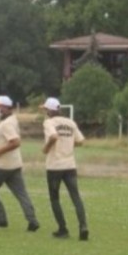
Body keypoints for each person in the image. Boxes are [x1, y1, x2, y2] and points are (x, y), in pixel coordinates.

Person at [0, 95, 40, 231]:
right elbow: (8, 138)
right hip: (15, 164)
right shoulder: (12, 120)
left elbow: (15, 142)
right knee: (21, 194)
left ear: (6, 108)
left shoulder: (6, 123)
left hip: (1, 166)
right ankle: (32, 220)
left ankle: (1, 219)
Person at [41, 97, 89, 241]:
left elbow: (54, 136)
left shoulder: (49, 122)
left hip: (54, 165)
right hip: (70, 165)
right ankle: (83, 226)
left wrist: (46, 148)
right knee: (76, 197)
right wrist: (68, 146)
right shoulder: (70, 122)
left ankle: (63, 229)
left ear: (49, 110)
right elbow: (81, 141)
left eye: (45, 109)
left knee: (55, 198)